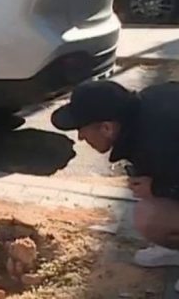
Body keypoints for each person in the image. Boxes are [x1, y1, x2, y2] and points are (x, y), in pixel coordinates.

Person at [51, 80, 179, 288]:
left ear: (107, 128)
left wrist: (157, 187)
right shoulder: (141, 115)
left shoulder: (159, 138)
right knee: (149, 213)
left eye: (82, 129)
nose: (81, 137)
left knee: (153, 210)